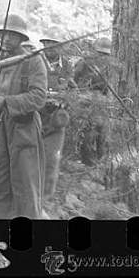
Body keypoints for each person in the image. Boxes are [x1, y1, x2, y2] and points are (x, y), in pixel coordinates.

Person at [0, 14, 47, 219]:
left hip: (23, 128)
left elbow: (38, 98)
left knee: (25, 183)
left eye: (13, 35)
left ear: (22, 38)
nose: (7, 39)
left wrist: (6, 102)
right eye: (4, 34)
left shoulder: (33, 62)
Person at [38, 35, 76, 200]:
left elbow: (73, 88)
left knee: (52, 159)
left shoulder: (67, 65)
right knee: (30, 156)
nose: (50, 47)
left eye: (54, 44)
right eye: (47, 43)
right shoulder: (35, 61)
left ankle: (45, 198)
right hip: (35, 115)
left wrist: (65, 98)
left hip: (56, 119)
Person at [73, 37, 112, 165]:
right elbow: (74, 80)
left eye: (105, 54)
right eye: (100, 53)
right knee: (89, 133)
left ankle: (101, 162)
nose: (102, 57)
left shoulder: (111, 67)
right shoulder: (84, 63)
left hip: (104, 102)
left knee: (103, 135)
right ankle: (88, 162)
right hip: (87, 100)